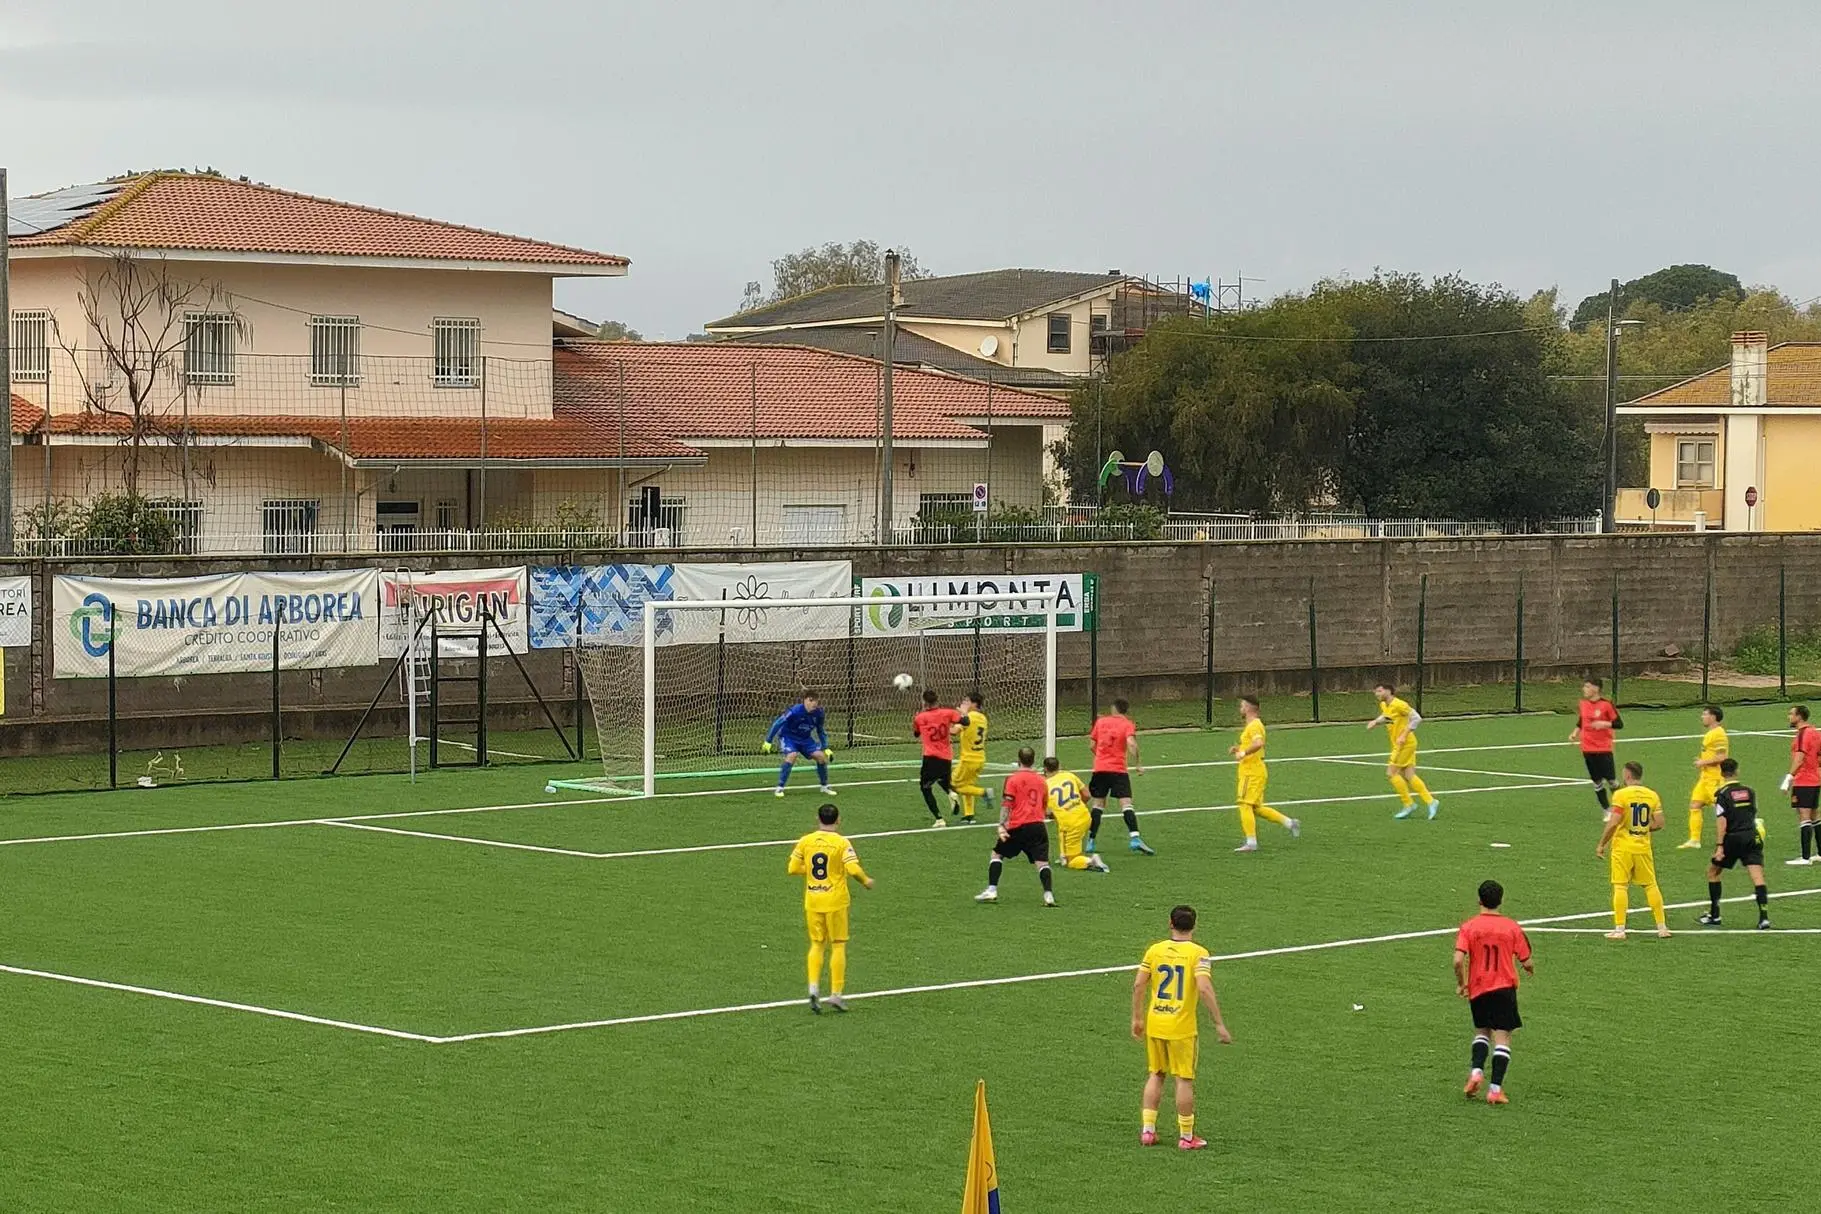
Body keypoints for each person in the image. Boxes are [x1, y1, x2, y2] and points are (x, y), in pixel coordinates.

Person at [1132, 904, 1232, 1150]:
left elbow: (1139, 985)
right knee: (1184, 1080)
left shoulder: (1155, 950)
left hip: (1156, 1022)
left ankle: (1148, 1131)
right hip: (1181, 1028)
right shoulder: (1198, 954)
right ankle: (1186, 1137)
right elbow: (1204, 987)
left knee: (1156, 1074)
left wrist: (1137, 1018)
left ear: (1170, 923)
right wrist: (1219, 1023)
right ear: (1195, 925)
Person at [786, 803, 874, 1015]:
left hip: (813, 900)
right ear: (838, 820)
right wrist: (865, 881)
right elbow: (852, 868)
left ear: (818, 819)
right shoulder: (841, 842)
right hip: (835, 901)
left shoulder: (805, 841)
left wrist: (811, 872)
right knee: (838, 945)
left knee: (817, 944)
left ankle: (813, 988)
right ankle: (836, 993)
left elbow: (792, 868)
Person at [1453, 879, 1534, 1105]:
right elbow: (1526, 960)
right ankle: (1495, 1090)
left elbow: (1458, 960)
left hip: (1478, 988)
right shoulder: (1511, 927)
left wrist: (1461, 983)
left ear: (1479, 900)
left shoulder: (1469, 927)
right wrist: (1529, 968)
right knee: (1502, 1037)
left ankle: (1476, 1072)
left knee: (1482, 1031)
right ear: (1501, 901)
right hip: (1504, 988)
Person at [1595, 762, 1671, 940]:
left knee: (1620, 885)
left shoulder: (1621, 795)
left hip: (1623, 848)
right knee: (1650, 885)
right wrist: (1642, 829)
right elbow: (1659, 823)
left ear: (1628, 775)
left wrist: (1602, 844)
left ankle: (1620, 929)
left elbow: (1614, 823)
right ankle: (1662, 927)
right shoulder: (1652, 795)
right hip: (1643, 846)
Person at [975, 748, 1058, 906]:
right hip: (1037, 826)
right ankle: (1048, 895)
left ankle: (992, 890)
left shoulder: (1012, 779)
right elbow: (1044, 807)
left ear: (1019, 760)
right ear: (1033, 760)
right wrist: (1051, 815)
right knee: (1042, 863)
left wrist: (1001, 825)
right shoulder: (1042, 781)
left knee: (997, 854)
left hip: (1017, 826)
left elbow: (1007, 804)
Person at [1699, 758, 1771, 929]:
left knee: (1713, 872)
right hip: (1752, 836)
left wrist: (1719, 846)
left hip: (1733, 838)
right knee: (1758, 877)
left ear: (1721, 773)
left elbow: (1721, 821)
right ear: (1737, 771)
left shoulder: (1722, 795)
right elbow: (1752, 813)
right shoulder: (1750, 792)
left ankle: (1715, 915)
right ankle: (1764, 918)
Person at [1230, 695, 1299, 853]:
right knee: (1256, 808)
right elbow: (1253, 746)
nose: (1240, 709)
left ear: (1248, 708)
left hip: (1251, 772)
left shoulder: (1254, 725)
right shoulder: (1252, 725)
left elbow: (1259, 743)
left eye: (1242, 706)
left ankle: (1251, 842)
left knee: (1244, 804)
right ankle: (1290, 823)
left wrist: (1243, 753)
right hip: (1253, 770)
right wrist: (1239, 749)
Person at [1086, 699, 1154, 855]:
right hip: (1118, 770)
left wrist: (1101, 758)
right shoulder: (1127, 724)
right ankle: (1135, 838)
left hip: (1100, 769)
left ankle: (1091, 841)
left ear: (1113, 708)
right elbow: (1132, 744)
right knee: (1126, 804)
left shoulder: (1101, 721)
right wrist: (1138, 763)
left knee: (1098, 805)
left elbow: (1091, 745)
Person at [1368, 682, 1438, 820]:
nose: (1377, 694)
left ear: (1389, 691)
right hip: (1401, 744)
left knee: (1391, 773)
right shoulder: (1384, 705)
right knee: (1409, 775)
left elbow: (1416, 718)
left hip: (1404, 744)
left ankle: (1408, 804)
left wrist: (1404, 735)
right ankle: (1431, 801)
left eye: (1380, 691)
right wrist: (1375, 722)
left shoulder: (1399, 704)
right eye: (1376, 692)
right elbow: (1386, 716)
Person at [1044, 756, 1109, 873]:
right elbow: (1087, 795)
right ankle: (1065, 855)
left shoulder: (1045, 785)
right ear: (1059, 766)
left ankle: (1090, 860)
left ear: (1045, 769)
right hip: (1084, 815)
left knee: (1072, 861)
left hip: (1070, 824)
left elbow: (1046, 811)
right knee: (1064, 831)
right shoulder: (1069, 775)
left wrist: (1053, 813)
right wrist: (1075, 805)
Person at [763, 692, 835, 798]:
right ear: (804, 700)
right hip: (789, 737)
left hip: (805, 739)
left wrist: (825, 747)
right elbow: (778, 723)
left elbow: (820, 730)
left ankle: (824, 786)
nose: (813, 704)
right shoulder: (795, 711)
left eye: (815, 701)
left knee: (821, 756)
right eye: (810, 700)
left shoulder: (819, 713)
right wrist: (768, 741)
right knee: (792, 755)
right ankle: (780, 787)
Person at [1571, 678, 1623, 813]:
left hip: (1603, 748)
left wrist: (1604, 724)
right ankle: (1607, 810)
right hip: (1587, 748)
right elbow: (1582, 720)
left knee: (1611, 780)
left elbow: (1619, 724)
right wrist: (1575, 732)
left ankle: (1622, 806)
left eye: (1587, 686)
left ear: (1596, 689)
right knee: (1597, 781)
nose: (1584, 689)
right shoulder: (1583, 704)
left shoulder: (1606, 705)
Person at [1680, 704, 1728, 849]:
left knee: (1724, 810)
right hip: (1705, 778)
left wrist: (1703, 762)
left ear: (1713, 717)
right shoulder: (1711, 733)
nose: (1702, 717)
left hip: (1715, 779)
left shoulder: (1719, 734)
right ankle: (1694, 840)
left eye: (1705, 714)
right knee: (1695, 805)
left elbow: (1722, 757)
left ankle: (1751, 827)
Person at [911, 689, 962, 827]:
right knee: (942, 779)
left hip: (930, 757)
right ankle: (951, 793)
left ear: (924, 702)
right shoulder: (948, 713)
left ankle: (939, 819)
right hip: (946, 757)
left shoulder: (920, 717)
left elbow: (916, 734)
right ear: (937, 700)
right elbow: (965, 721)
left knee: (925, 787)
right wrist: (962, 714)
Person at [1785, 705, 1820, 866]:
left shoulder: (1803, 734)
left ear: (1799, 717)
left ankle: (1805, 858)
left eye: (1791, 714)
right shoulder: (1815, 732)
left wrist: (1789, 777)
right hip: (1815, 779)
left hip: (1804, 780)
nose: (1789, 717)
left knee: (1804, 815)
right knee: (1815, 816)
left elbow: (1799, 758)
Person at [951, 691, 993, 825]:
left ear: (974, 704)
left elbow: (953, 731)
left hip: (968, 759)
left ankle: (983, 792)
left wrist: (939, 724)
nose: (963, 703)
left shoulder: (968, 718)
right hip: (980, 758)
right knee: (968, 786)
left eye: (966, 701)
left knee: (952, 785)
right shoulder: (983, 718)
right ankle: (969, 815)